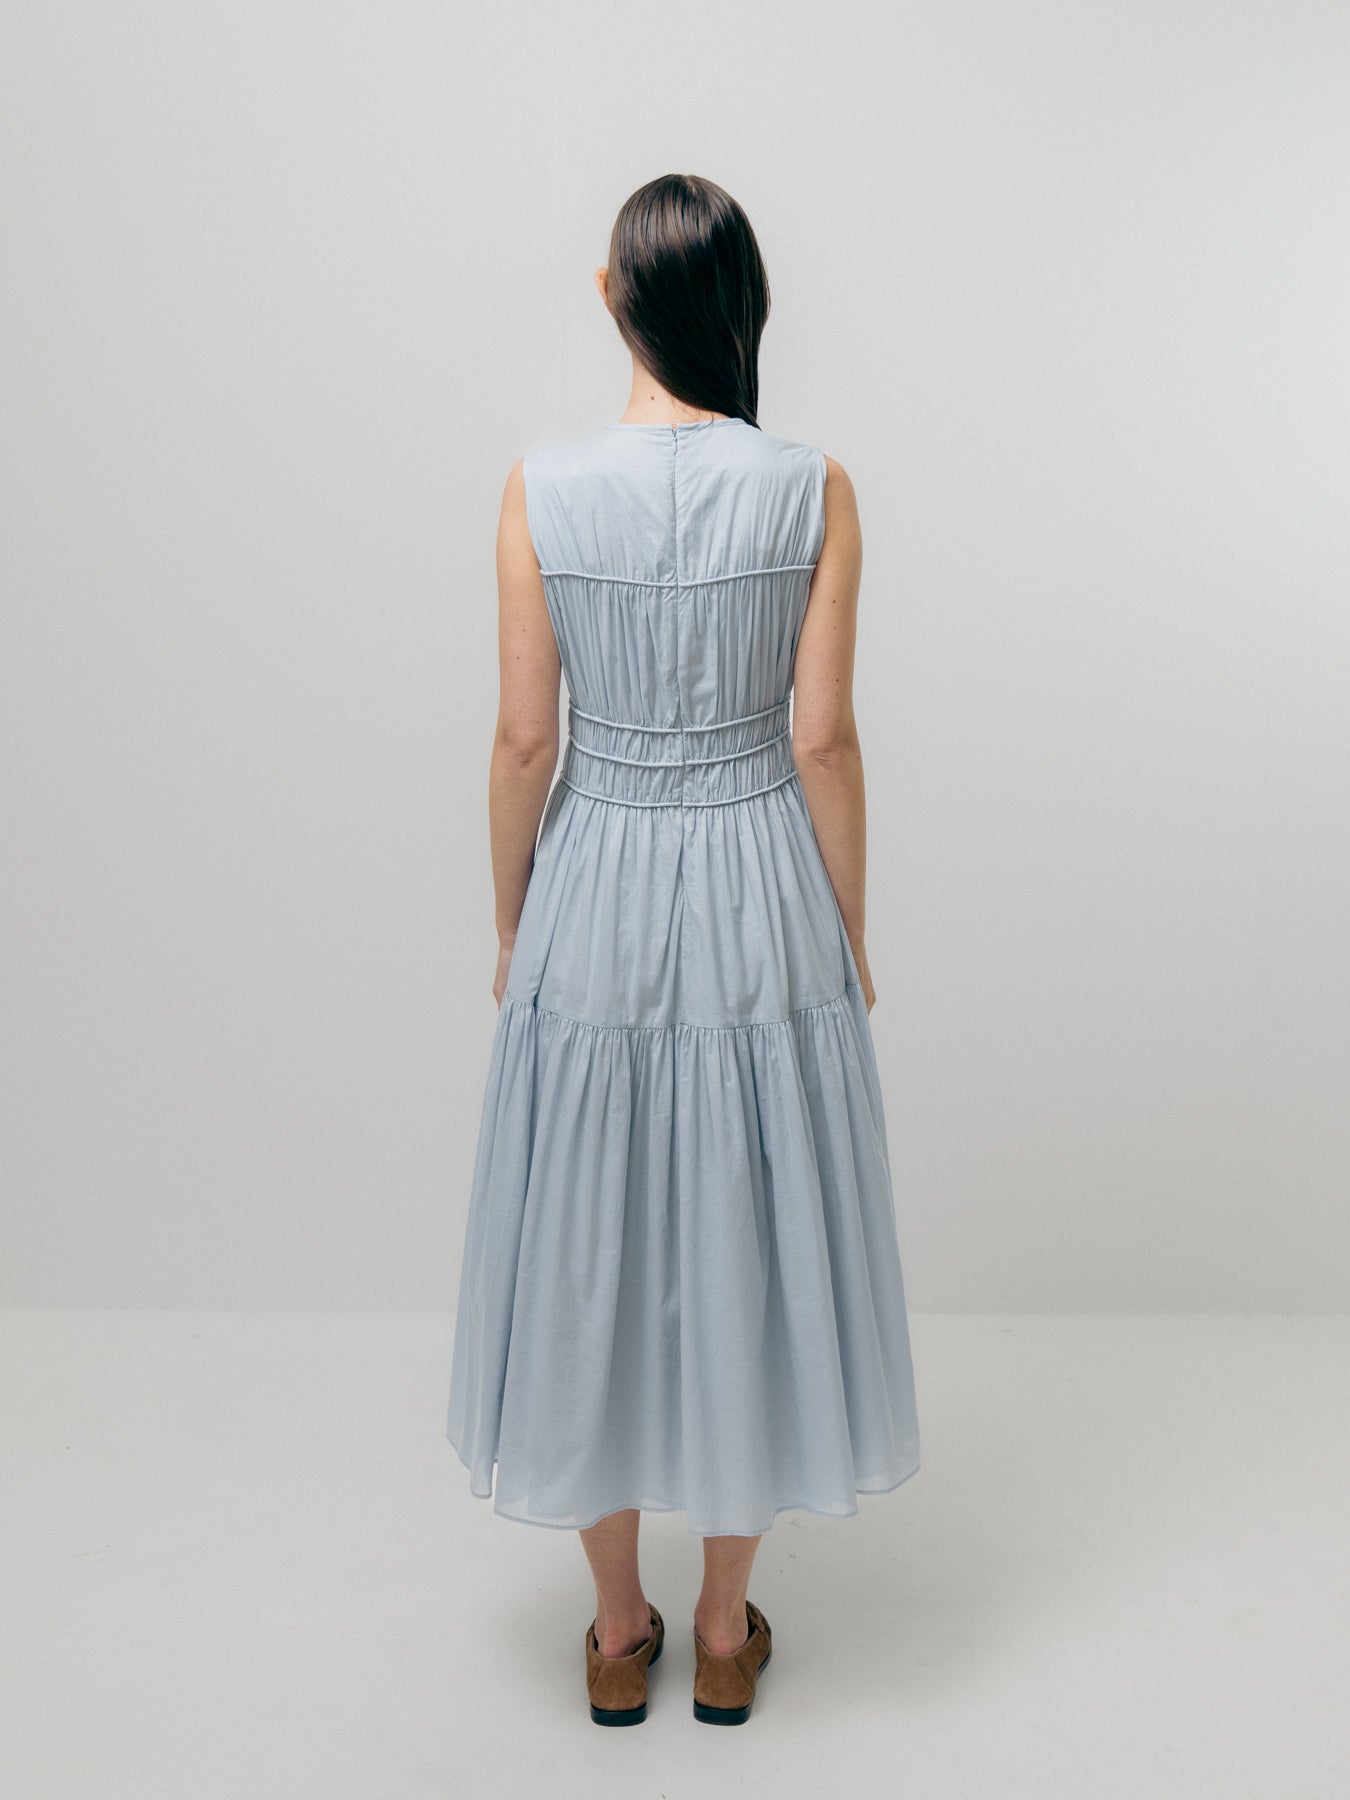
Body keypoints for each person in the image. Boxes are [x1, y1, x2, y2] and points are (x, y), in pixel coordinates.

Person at [446, 172, 920, 1726]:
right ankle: (724, 1627)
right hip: (753, 888)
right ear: (743, 307)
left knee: (586, 1234)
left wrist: (515, 916)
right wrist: (842, 931)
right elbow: (827, 739)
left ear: (611, 297)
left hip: (593, 882)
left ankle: (612, 1631)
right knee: (740, 1242)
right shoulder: (814, 486)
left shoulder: (536, 488)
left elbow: (526, 739)